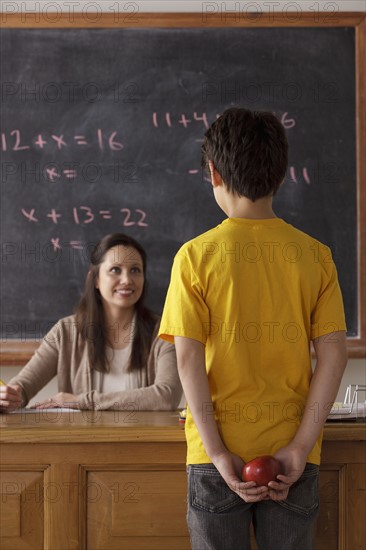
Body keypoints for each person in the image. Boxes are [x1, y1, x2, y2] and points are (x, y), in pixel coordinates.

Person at [159, 107, 347, 550]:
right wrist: (301, 447)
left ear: (213, 173)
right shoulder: (315, 256)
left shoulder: (194, 257)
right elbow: (334, 355)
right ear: (281, 176)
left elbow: (187, 362)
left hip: (215, 453)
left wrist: (221, 454)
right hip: (290, 456)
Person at [0, 233, 182, 412]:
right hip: (81, 441)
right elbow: (22, 387)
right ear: (95, 279)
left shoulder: (163, 331)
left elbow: (167, 396)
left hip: (145, 441)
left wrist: (82, 401)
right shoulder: (65, 332)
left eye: (135, 270)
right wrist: (10, 397)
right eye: (115, 270)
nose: (127, 280)